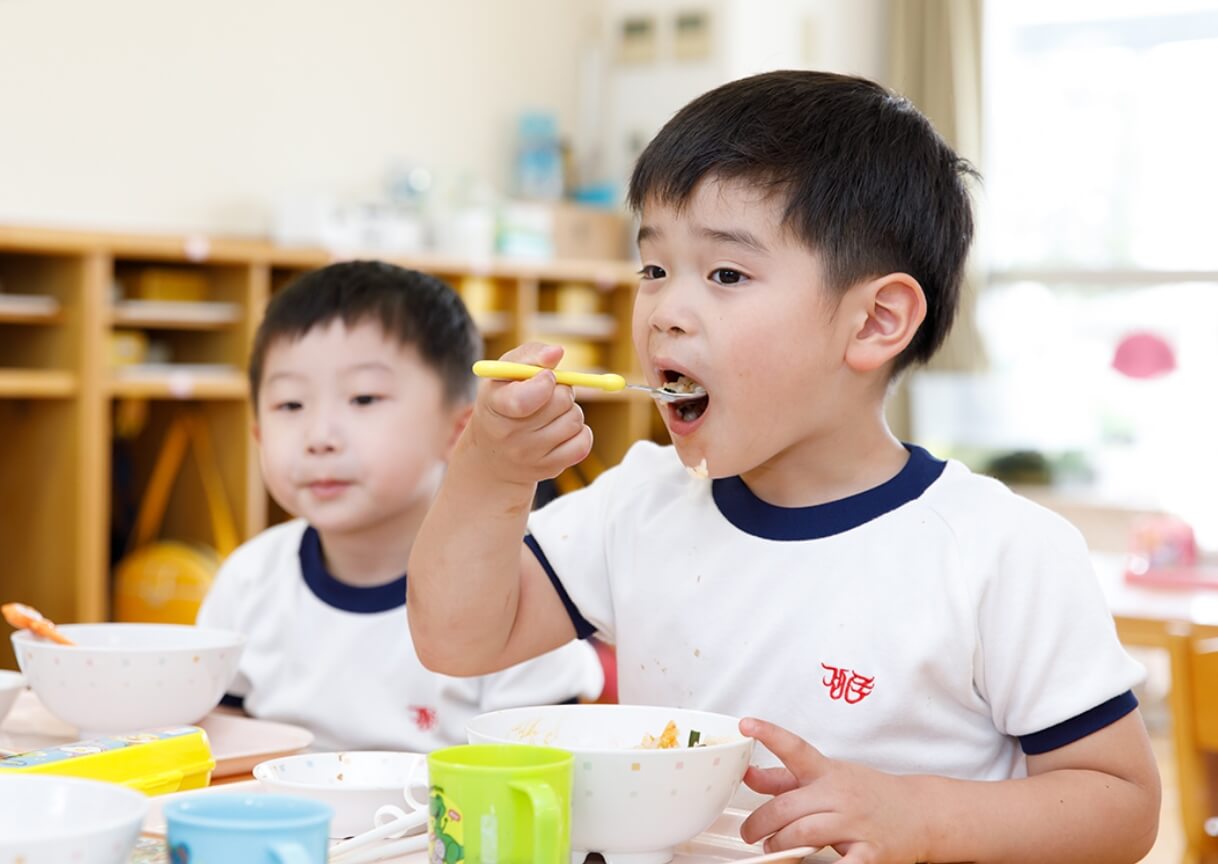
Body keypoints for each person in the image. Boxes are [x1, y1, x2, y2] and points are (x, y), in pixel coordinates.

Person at [406, 69, 1160, 862]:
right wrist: (490, 470)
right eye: (654, 269)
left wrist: (921, 816)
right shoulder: (639, 503)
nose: (665, 311)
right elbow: (457, 639)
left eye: (725, 274)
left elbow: (1122, 807)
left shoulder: (999, 552)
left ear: (874, 321)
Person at [197, 261, 603, 753]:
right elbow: (217, 749)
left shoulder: (511, 591)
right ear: (257, 432)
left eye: (364, 398)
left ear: (460, 430)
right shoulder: (248, 581)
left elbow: (547, 773)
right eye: (290, 405)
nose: (319, 437)